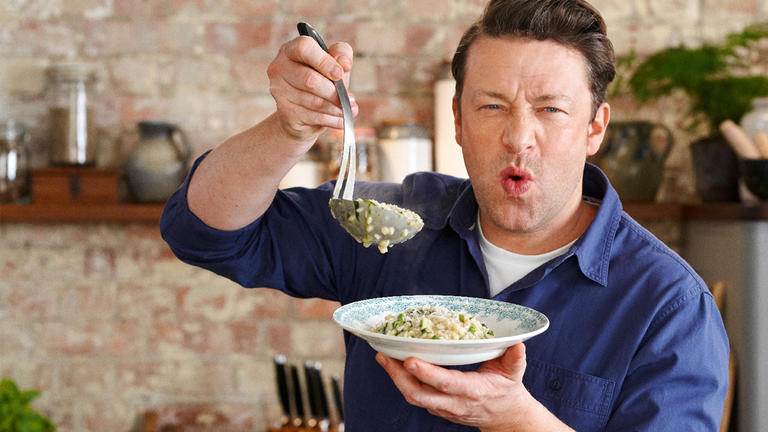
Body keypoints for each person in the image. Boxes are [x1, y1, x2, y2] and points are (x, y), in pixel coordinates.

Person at [160, 0, 729, 430]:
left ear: (595, 128)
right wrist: (288, 129)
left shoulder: (668, 304)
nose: (518, 138)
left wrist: (520, 421)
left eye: (551, 110)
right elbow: (202, 231)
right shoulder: (392, 223)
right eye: (492, 106)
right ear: (457, 121)